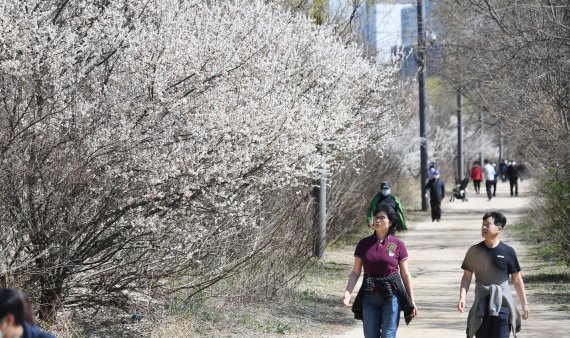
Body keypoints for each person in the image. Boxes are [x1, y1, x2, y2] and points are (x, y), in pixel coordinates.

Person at [344, 205, 417, 338]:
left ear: (391, 222)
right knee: (370, 335)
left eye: (382, 217)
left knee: (388, 335)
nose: (377, 220)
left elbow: (405, 274)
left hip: (392, 295)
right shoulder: (363, 244)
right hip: (369, 296)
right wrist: (348, 292)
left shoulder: (397, 245)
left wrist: (412, 299)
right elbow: (355, 271)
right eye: (376, 217)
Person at [457, 211, 529, 338]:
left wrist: (524, 304)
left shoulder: (508, 251)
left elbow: (517, 279)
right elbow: (467, 277)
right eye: (482, 224)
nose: (484, 227)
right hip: (481, 306)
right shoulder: (474, 251)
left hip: (503, 305)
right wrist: (462, 297)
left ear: (499, 229)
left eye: (488, 224)